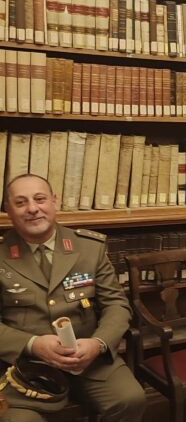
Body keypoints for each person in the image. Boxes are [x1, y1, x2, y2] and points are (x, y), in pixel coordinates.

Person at [0, 174, 145, 422]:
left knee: (131, 399)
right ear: (8, 210)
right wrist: (33, 344)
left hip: (89, 359)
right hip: (26, 367)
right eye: (21, 202)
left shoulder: (89, 247)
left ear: (54, 202)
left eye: (40, 199)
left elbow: (117, 305)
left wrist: (98, 344)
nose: (33, 208)